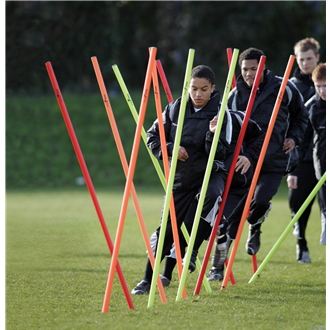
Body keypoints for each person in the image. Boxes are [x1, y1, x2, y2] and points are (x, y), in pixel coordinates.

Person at [207, 47, 308, 281]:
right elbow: (228, 130)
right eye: (245, 70)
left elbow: (301, 117)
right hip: (244, 163)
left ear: (263, 67)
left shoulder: (285, 88)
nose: (250, 74)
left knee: (260, 202)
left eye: (255, 69)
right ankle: (217, 269)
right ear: (239, 70)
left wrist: (293, 137)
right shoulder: (234, 95)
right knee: (229, 217)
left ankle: (255, 224)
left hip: (274, 160)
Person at [131, 65, 232, 294]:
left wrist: (213, 135)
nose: (198, 94)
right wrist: (170, 148)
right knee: (166, 228)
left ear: (212, 89)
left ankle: (192, 251)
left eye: (204, 89)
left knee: (210, 198)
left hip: (209, 173)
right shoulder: (174, 108)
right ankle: (148, 279)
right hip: (181, 177)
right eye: (193, 89)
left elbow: (223, 152)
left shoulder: (221, 113)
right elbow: (152, 136)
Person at [159, 108, 264, 286]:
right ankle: (167, 273)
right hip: (203, 180)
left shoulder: (236, 118)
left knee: (214, 220)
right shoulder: (188, 119)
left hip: (234, 185)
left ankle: (210, 248)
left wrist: (248, 156)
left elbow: (261, 136)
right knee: (186, 223)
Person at [287, 38, 322, 263]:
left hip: (323, 155)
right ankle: (302, 244)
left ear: (317, 57)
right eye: (302, 60)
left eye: (310, 58)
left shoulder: (324, 80)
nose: (306, 63)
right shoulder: (290, 85)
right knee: (297, 205)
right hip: (301, 156)